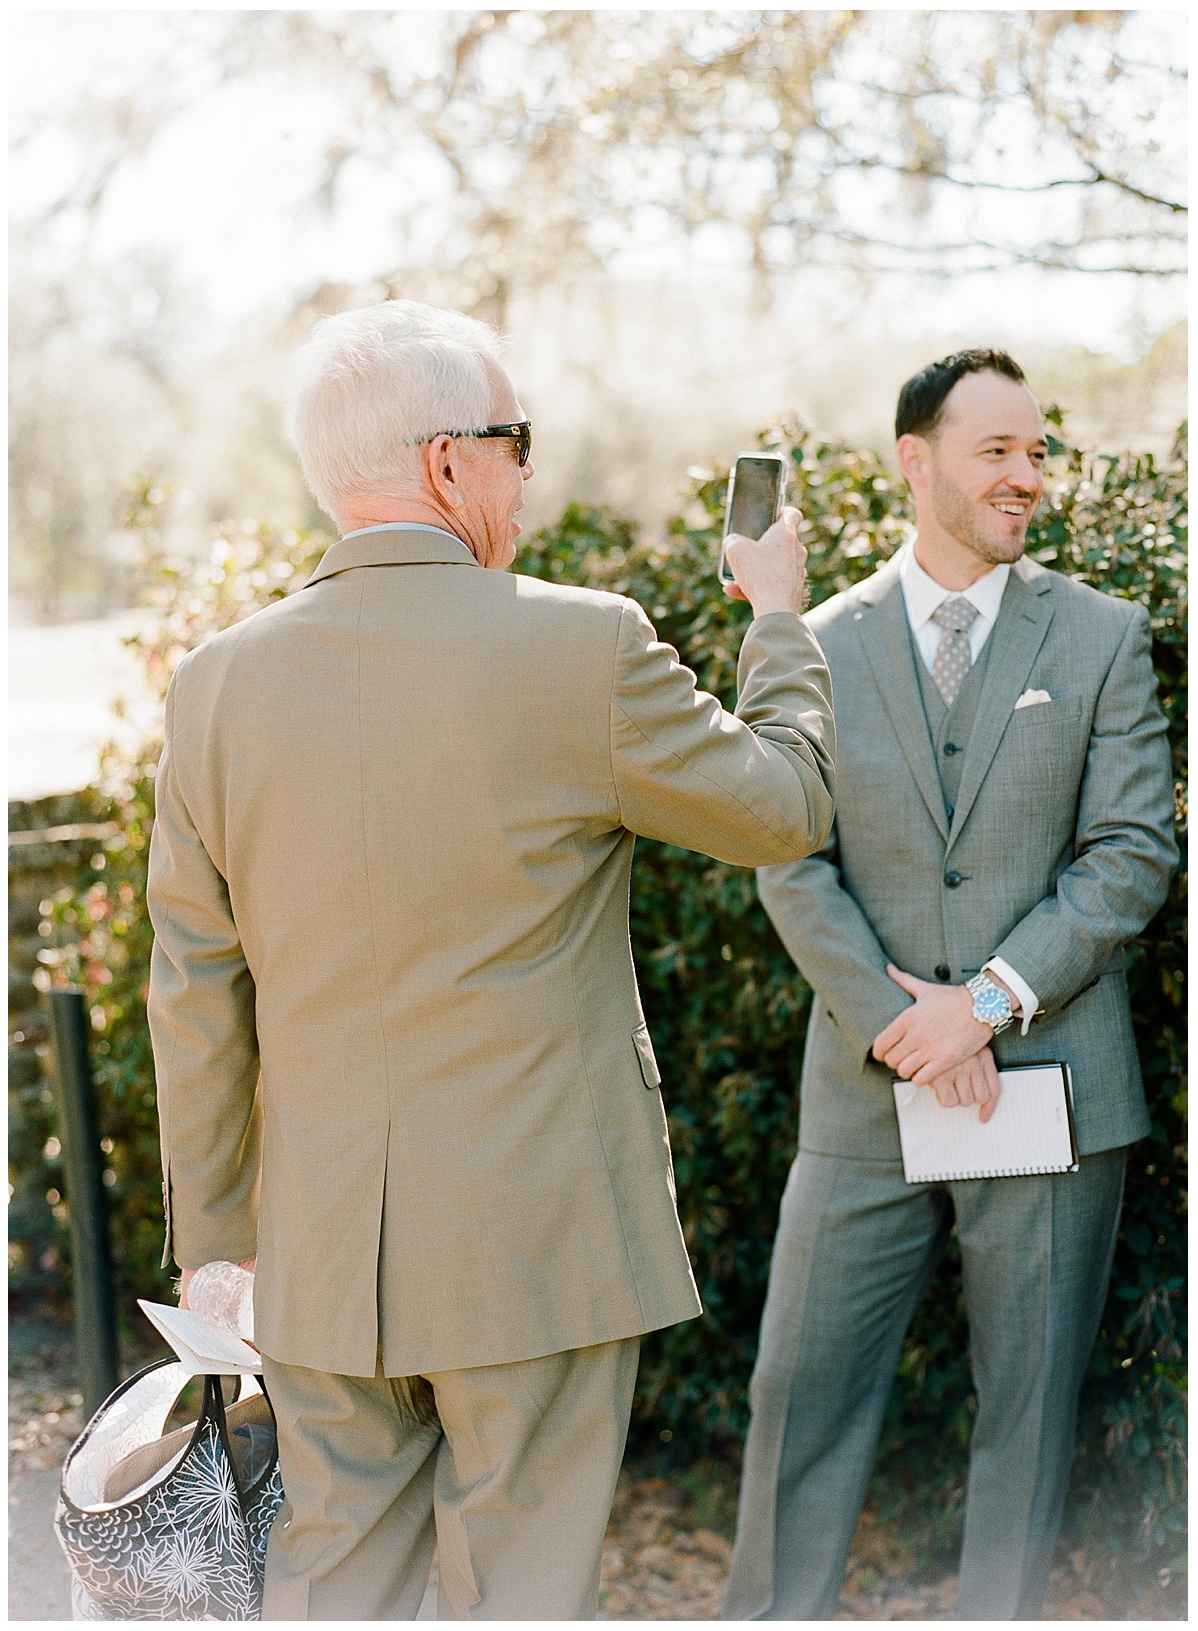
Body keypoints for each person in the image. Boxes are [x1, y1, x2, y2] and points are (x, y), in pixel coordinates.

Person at [145, 298, 836, 1620]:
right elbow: (785, 806)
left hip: (321, 1246)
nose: (529, 469)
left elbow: (193, 988)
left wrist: (222, 1243)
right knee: (521, 1590)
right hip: (541, 1239)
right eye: (517, 440)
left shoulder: (214, 683)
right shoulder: (584, 644)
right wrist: (779, 621)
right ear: (450, 462)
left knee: (333, 1580)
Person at [722, 349, 1178, 1621]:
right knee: (799, 1399)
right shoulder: (816, 644)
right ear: (916, 460)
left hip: (1050, 1087)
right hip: (863, 1100)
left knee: (1025, 1430)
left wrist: (979, 1005)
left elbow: (1134, 851)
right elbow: (787, 857)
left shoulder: (1098, 636)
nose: (1027, 476)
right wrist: (901, 1025)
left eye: (1039, 452)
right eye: (997, 451)